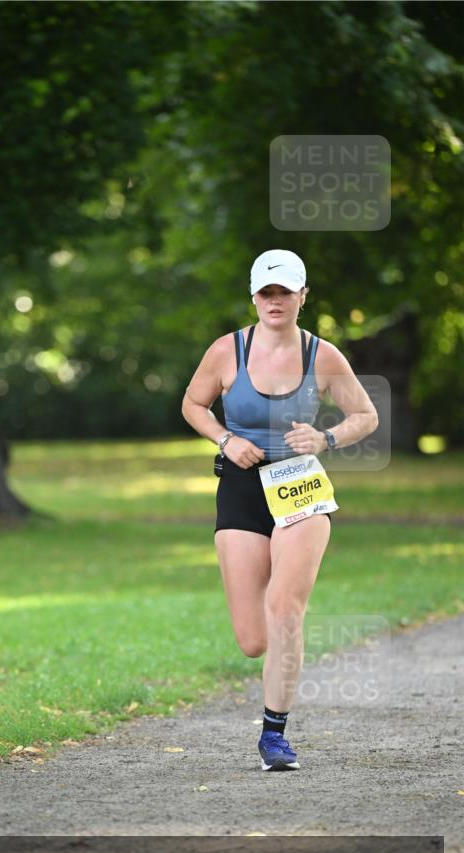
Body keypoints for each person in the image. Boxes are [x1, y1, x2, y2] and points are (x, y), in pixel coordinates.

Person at [181, 249, 378, 771]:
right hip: (242, 487)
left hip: (300, 485)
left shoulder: (324, 355)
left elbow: (365, 414)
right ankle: (279, 660)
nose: (276, 301)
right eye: (267, 292)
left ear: (302, 297)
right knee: (253, 639)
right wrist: (225, 440)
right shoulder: (227, 351)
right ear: (254, 297)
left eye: (285, 292)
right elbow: (192, 404)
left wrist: (326, 436)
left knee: (286, 609)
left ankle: (274, 737)